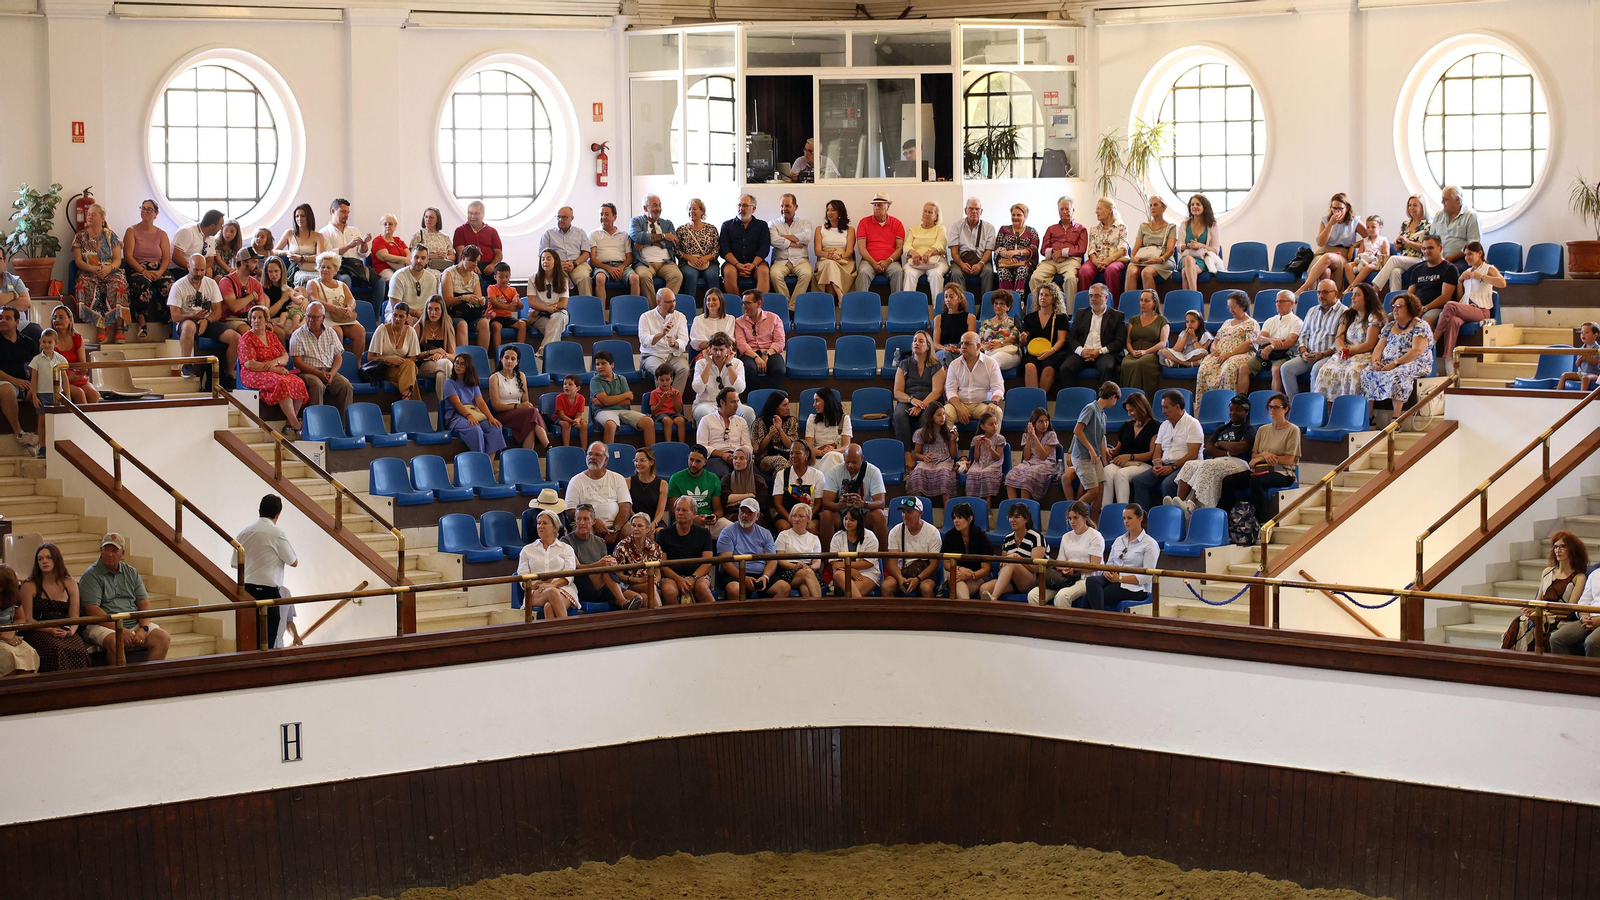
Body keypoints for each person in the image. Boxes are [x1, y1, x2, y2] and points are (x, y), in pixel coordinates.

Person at [80, 533, 170, 661]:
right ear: (101, 550)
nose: (110, 554)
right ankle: (120, 680)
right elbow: (92, 609)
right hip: (102, 625)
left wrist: (143, 628)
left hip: (132, 622)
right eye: (106, 550)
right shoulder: (91, 575)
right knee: (116, 641)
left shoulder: (131, 572)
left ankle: (147, 679)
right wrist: (119, 629)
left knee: (163, 638)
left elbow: (144, 602)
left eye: (114, 551)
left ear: (122, 553)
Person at [1217, 392, 1300, 523]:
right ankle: (1225, 519)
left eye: (1276, 407)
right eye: (1270, 407)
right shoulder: (1262, 429)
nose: (1272, 410)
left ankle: (1263, 523)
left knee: (1256, 482)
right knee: (1228, 481)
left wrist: (1268, 457)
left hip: (1282, 471)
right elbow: (1254, 454)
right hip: (1260, 469)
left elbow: (1289, 460)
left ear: (1286, 409)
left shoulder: (1293, 430)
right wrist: (1265, 455)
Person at [1167, 393, 1255, 514]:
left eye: (1238, 410)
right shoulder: (1222, 428)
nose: (1233, 413)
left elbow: (1242, 447)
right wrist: (1230, 450)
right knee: (1190, 465)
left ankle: (1191, 504)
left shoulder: (1249, 429)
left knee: (1207, 465)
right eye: (1231, 409)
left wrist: (1220, 443)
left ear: (1246, 412)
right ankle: (1179, 503)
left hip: (1240, 463)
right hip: (1221, 460)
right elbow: (1208, 448)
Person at [1505, 531, 1587, 652]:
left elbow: (1569, 608)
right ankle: (1511, 662)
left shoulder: (1579, 577)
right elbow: (1539, 599)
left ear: (1572, 550)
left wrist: (1542, 609)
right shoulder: (1547, 572)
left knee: (1530, 625)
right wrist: (1532, 608)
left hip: (1560, 618)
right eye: (1555, 546)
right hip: (1541, 614)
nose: (1558, 550)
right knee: (1520, 621)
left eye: (1563, 546)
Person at [1361, 291, 1435, 425]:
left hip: (1416, 362)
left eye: (1399, 307)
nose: (1395, 309)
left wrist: (1396, 363)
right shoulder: (1389, 326)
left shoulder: (1420, 326)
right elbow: (1378, 348)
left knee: (1397, 374)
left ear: (1410, 309)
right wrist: (1376, 362)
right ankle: (1369, 416)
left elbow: (1416, 351)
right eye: (1394, 306)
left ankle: (1396, 417)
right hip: (1389, 362)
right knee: (1367, 372)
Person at [168, 253, 243, 383]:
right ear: (188, 267)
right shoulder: (178, 286)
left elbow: (218, 311)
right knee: (189, 326)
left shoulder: (211, 283)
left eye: (202, 270)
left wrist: (206, 320)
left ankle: (229, 374)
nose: (199, 273)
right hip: (187, 320)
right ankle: (187, 364)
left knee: (236, 338)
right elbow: (175, 316)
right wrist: (192, 316)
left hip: (208, 321)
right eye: (196, 270)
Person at [238, 494, 299, 648]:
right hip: (269, 592)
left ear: (259, 510)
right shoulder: (277, 533)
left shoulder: (244, 533)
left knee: (249, 641)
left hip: (247, 591)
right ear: (278, 515)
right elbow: (294, 562)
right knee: (268, 644)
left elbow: (235, 564)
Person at [1436, 241, 1505, 374]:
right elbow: (1461, 296)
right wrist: (1460, 281)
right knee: (1453, 321)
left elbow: (1502, 283)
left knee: (1450, 305)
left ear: (1480, 253)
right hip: (1466, 309)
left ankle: (1434, 338)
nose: (1467, 257)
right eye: (1466, 255)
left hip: (1481, 311)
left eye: (1470, 254)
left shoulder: (1488, 268)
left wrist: (1482, 277)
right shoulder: (1467, 271)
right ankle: (1449, 360)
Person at [19, 543, 91, 670]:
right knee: (56, 648)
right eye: (40, 559)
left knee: (79, 649)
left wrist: (70, 632)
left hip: (64, 628)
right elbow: (28, 619)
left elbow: (75, 617)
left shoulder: (69, 583)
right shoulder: (30, 585)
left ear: (56, 559)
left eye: (48, 557)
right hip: (38, 629)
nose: (44, 562)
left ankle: (79, 687)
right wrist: (49, 630)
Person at [240, 305, 308, 437]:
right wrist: (273, 368)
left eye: (260, 317)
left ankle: (289, 423)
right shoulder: (246, 338)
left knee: (299, 382)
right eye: (253, 318)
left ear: (266, 321)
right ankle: (296, 425)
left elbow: (285, 356)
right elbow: (249, 364)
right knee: (281, 382)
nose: (256, 321)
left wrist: (275, 363)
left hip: (275, 369)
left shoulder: (271, 336)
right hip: (253, 373)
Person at [1130, 390, 1203, 509]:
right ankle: (1143, 518)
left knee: (1167, 484)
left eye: (1166, 407)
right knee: (1139, 481)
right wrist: (1157, 464)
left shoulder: (1193, 424)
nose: (1163, 411)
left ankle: (1169, 517)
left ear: (1177, 407)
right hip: (1165, 465)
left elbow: (1193, 454)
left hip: (1185, 466)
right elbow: (1157, 449)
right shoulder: (1164, 425)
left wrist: (1173, 467)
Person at [1080, 505, 1160, 612]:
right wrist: (1106, 572)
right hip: (1114, 580)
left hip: (1134, 587)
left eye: (1129, 518)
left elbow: (1146, 576)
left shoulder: (1150, 544)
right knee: (1091, 581)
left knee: (1091, 597)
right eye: (1124, 518)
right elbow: (1109, 563)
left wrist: (1120, 579)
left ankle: (1096, 623)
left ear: (1140, 519)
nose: (1126, 521)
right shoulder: (1119, 540)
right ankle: (1097, 622)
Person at [1277, 280, 1348, 399]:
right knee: (1286, 368)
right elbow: (1303, 335)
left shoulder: (1345, 312)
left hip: (1329, 356)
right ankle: (1293, 405)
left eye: (1325, 292)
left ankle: (1314, 408)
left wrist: (1322, 354)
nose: (1321, 296)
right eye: (1319, 292)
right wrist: (1304, 351)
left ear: (1335, 293)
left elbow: (1342, 340)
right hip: (1309, 355)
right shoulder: (1312, 311)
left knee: (1316, 370)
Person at [1029, 500, 1106, 607]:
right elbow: (1060, 562)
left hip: (1086, 578)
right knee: (1033, 595)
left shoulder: (1095, 536)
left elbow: (1094, 566)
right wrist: (1064, 569)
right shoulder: (1066, 537)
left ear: (1085, 517)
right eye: (1070, 518)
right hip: (1066, 577)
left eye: (1075, 518)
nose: (1072, 521)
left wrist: (1074, 569)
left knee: (1062, 596)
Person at [1313, 284, 1384, 398]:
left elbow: (1370, 344)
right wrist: (1341, 349)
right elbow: (1339, 337)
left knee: (1352, 372)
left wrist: (1349, 351)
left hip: (1364, 354)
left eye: (1357, 295)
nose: (1352, 298)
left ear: (1367, 298)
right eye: (1352, 294)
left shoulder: (1374, 316)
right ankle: (1328, 409)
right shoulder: (1347, 315)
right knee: (1326, 370)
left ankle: (1351, 407)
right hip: (1345, 352)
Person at [72, 203, 130, 342]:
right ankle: (100, 327)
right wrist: (92, 269)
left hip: (110, 270)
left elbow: (117, 259)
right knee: (86, 285)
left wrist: (108, 269)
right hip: (88, 271)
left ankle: (119, 327)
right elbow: (78, 261)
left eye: (94, 214)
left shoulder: (111, 236)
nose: (90, 217)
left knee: (117, 285)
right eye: (89, 214)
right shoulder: (80, 236)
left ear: (102, 218)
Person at [565, 505, 637, 608]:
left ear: (593, 521)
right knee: (605, 568)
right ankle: (622, 601)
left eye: (586, 519)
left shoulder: (600, 541)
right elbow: (576, 568)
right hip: (580, 583)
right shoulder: (567, 541)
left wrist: (612, 563)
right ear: (575, 521)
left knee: (638, 598)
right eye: (579, 519)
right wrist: (600, 565)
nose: (582, 523)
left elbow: (607, 565)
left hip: (603, 583)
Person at [818, 444, 888, 548]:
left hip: (863, 515)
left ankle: (883, 559)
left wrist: (863, 504)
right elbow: (826, 502)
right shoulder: (835, 471)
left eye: (854, 462)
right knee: (826, 515)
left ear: (862, 458)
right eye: (847, 462)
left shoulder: (873, 471)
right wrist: (839, 505)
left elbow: (881, 503)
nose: (850, 465)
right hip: (842, 515)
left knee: (879, 514)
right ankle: (828, 560)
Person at [289, 302, 354, 413]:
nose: (310, 320)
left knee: (346, 386)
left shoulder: (331, 332)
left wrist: (332, 374)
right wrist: (319, 374)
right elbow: (298, 362)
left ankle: (344, 426)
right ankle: (317, 424)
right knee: (317, 385)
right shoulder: (298, 334)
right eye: (308, 316)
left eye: (315, 317)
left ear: (323, 318)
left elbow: (338, 357)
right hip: (307, 372)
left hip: (329, 371)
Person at [1194, 290, 1259, 399]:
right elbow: (1216, 339)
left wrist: (1230, 353)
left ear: (1242, 306)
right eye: (1229, 307)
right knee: (1204, 367)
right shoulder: (1227, 322)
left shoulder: (1251, 323)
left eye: (1233, 307)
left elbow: (1249, 344)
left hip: (1240, 355)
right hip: (1221, 355)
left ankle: (1229, 403)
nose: (1231, 310)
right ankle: (1209, 404)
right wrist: (1214, 349)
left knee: (1228, 368)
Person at [1059, 282, 1127, 387]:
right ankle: (1075, 398)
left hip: (1104, 353)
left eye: (1097, 296)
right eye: (1091, 296)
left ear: (1106, 297)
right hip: (1083, 351)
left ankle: (1104, 400)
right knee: (1065, 368)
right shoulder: (1081, 313)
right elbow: (1072, 337)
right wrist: (1081, 351)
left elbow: (1120, 341)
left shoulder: (1117, 316)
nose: (1093, 299)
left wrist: (1099, 351)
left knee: (1107, 368)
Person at [122, 199, 172, 338]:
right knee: (144, 286)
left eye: (149, 209)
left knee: (169, 285)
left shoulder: (162, 234)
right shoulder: (131, 231)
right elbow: (128, 256)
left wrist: (160, 272)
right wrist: (144, 271)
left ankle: (168, 322)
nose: (145, 211)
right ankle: (142, 324)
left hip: (157, 268)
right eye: (143, 208)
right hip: (138, 268)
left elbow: (166, 258)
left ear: (155, 214)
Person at [1296, 193, 1365, 293]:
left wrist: (1354, 245)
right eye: (1334, 208)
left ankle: (1303, 289)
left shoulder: (1354, 221)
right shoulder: (1326, 220)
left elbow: (1371, 238)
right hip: (1324, 250)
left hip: (1342, 254)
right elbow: (1320, 243)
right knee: (1325, 271)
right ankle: (1323, 298)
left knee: (1328, 257)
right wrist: (1330, 225)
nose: (1337, 211)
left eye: (1340, 208)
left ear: (1347, 208)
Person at [518, 509, 580, 619]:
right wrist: (537, 584)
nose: (540, 526)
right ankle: (569, 632)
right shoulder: (527, 550)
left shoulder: (566, 549)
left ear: (555, 527)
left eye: (545, 523)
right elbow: (522, 577)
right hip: (536, 591)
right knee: (551, 592)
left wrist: (553, 584)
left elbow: (569, 575)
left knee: (548, 607)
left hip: (564, 589)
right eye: (539, 523)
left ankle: (552, 636)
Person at [566, 442, 635, 541]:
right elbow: (571, 512)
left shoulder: (617, 478)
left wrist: (615, 530)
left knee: (633, 529)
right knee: (585, 529)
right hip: (589, 525)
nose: (592, 457)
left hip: (616, 527)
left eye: (597, 455)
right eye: (590, 454)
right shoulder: (576, 481)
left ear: (606, 459)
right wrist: (593, 521)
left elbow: (625, 508)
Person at [441, 351, 506, 455]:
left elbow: (480, 402)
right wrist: (468, 416)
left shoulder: (472, 382)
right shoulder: (449, 382)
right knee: (475, 429)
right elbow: (457, 403)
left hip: (474, 413)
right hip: (456, 415)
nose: (458, 366)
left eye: (462, 364)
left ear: (468, 367)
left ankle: (488, 463)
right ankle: (480, 459)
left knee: (495, 427)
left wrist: (490, 417)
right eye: (456, 363)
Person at [1101, 389, 1158, 507]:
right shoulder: (1126, 426)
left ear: (1141, 408)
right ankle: (1105, 510)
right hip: (1125, 462)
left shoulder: (1155, 426)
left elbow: (1151, 454)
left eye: (1131, 411)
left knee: (1121, 474)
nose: (1129, 414)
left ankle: (1123, 511)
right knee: (1107, 471)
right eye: (1128, 411)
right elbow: (1118, 449)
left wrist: (1130, 457)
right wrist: (1109, 451)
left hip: (1143, 464)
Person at [981, 503, 1047, 602]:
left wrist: (1017, 558)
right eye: (1010, 517)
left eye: (1017, 516)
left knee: (1012, 563)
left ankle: (993, 598)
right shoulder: (1008, 539)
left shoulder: (1036, 536)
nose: (1013, 520)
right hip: (1011, 581)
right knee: (984, 588)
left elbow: (1036, 568)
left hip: (1032, 580)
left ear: (1026, 519)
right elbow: (1002, 565)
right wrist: (1008, 561)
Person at [718, 498, 782, 601]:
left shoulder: (765, 533)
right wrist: (743, 578)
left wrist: (765, 577)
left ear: (757, 516)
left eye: (749, 513)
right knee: (734, 589)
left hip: (760, 574)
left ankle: (764, 616)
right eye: (742, 512)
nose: (744, 515)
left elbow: (772, 560)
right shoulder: (727, 532)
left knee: (783, 588)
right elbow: (725, 561)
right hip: (735, 574)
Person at [487, 345, 549, 451]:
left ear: (517, 362)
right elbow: (496, 406)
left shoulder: (521, 376)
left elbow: (525, 400)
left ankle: (527, 456)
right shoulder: (494, 377)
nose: (509, 361)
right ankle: (548, 446)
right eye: (506, 358)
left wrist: (523, 406)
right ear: (501, 359)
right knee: (531, 413)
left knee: (530, 419)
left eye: (513, 359)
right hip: (502, 415)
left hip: (520, 414)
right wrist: (518, 406)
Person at [656, 496, 716, 604]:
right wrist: (679, 579)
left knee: (702, 588)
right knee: (669, 590)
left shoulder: (704, 533)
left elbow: (707, 562)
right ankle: (677, 621)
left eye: (684, 510)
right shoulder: (663, 534)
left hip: (698, 576)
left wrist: (693, 578)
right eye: (678, 509)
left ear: (694, 513)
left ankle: (715, 619)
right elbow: (663, 564)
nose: (680, 513)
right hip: (672, 577)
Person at [893, 331, 946, 453]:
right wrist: (912, 400)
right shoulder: (904, 364)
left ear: (928, 346)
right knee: (899, 415)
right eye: (915, 340)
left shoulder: (937, 365)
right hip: (909, 399)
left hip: (930, 401)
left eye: (921, 341)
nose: (916, 343)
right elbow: (897, 392)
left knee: (926, 417)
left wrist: (921, 406)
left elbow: (937, 391)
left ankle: (923, 453)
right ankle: (906, 453)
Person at [882, 497, 944, 598]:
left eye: (909, 512)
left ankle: (927, 614)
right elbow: (892, 562)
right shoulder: (895, 531)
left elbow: (934, 564)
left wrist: (918, 579)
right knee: (886, 586)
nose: (905, 516)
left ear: (920, 513)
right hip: (902, 571)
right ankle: (893, 614)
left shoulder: (932, 532)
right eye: (903, 512)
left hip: (924, 573)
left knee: (926, 588)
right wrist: (899, 577)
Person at [306, 250, 365, 357]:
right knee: (337, 332)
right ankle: (338, 365)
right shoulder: (313, 283)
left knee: (360, 331)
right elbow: (314, 300)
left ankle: (357, 364)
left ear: (335, 270)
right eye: (322, 267)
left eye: (329, 268)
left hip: (343, 316)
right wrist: (334, 308)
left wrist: (350, 309)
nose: (325, 270)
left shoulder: (342, 284)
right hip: (325, 317)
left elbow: (351, 300)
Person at [1550, 534, 1600, 657]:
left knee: (1591, 642)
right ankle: (1568, 675)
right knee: (1556, 638)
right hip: (1589, 618)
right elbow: (1583, 602)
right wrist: (1584, 617)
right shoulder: (1595, 574)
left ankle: (1591, 676)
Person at [590, 349, 653, 446]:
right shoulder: (595, 381)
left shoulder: (621, 379)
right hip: (602, 411)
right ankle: (607, 459)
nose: (600, 367)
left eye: (603, 363)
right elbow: (607, 401)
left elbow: (627, 402)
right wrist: (625, 395)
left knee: (648, 422)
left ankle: (650, 456)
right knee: (610, 425)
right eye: (597, 364)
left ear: (612, 365)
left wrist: (604, 401)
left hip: (622, 410)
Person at [637, 286, 690, 398]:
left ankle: (674, 401)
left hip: (673, 354)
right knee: (660, 371)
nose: (673, 305)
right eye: (669, 302)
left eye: (674, 301)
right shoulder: (646, 317)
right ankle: (662, 405)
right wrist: (662, 334)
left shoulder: (680, 316)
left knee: (684, 369)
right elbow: (644, 341)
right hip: (653, 354)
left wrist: (675, 343)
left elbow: (684, 339)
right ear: (658, 302)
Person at [1030, 196, 1087, 299]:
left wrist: (1062, 253)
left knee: (1070, 279)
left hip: (1070, 260)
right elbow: (1043, 249)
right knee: (1035, 277)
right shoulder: (1051, 229)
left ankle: (1070, 314)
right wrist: (1054, 254)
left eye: (1067, 209)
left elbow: (1081, 249)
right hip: (1051, 260)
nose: (1064, 211)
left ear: (1073, 210)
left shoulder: (1081, 228)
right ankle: (1038, 310)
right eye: (1062, 209)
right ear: (1058, 211)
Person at [944, 332, 1005, 427]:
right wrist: (959, 408)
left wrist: (993, 403)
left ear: (978, 346)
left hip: (982, 405)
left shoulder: (991, 363)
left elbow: (998, 388)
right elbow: (950, 390)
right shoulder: (954, 364)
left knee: (996, 412)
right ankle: (950, 441)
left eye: (968, 343)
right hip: (960, 404)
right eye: (962, 343)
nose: (963, 346)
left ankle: (991, 442)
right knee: (944, 413)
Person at [668, 444, 730, 537]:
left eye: (698, 461)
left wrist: (715, 517)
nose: (693, 464)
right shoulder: (676, 478)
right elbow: (674, 512)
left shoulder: (713, 478)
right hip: (685, 520)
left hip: (708, 522)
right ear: (688, 458)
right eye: (691, 460)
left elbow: (718, 510)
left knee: (730, 528)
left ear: (705, 462)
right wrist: (692, 519)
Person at [1374, 195, 1433, 293]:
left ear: (1423, 207)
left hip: (1419, 259)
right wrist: (1398, 245)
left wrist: (1408, 242)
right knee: (1395, 271)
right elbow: (1398, 249)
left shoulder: (1429, 225)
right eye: (1410, 205)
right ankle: (1395, 301)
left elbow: (1427, 248)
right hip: (1403, 258)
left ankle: (1375, 289)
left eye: (1415, 205)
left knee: (1393, 259)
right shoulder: (1405, 224)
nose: (1411, 208)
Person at [690, 333, 752, 425]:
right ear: (709, 349)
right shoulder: (701, 363)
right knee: (703, 413)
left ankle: (747, 439)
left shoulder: (737, 363)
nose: (718, 353)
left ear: (728, 349)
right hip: (707, 403)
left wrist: (728, 365)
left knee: (748, 412)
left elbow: (740, 389)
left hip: (731, 405)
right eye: (715, 349)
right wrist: (709, 364)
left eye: (721, 350)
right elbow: (698, 389)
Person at [630, 193, 684, 295]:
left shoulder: (667, 223)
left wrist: (647, 244)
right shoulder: (636, 221)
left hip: (666, 262)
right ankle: (654, 309)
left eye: (660, 205)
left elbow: (673, 242)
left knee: (677, 276)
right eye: (655, 205)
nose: (658, 208)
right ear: (645, 208)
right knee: (643, 276)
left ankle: (664, 305)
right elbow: (638, 237)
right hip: (644, 263)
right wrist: (664, 236)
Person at [1117, 289, 1169, 396]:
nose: (1143, 303)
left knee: (1140, 363)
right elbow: (1128, 341)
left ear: (1154, 303)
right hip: (1134, 352)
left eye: (1146, 301)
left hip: (1151, 353)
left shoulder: (1162, 320)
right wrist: (1132, 351)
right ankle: (1127, 397)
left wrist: (1146, 351)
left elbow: (1163, 343)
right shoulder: (1134, 319)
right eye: (1141, 300)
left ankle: (1139, 398)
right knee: (1125, 363)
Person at [668, 198, 722, 301]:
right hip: (688, 263)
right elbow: (677, 250)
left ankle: (716, 307)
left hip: (708, 262)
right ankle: (689, 306)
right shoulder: (681, 230)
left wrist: (706, 258)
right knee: (690, 275)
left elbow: (717, 248)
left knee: (712, 276)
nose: (691, 211)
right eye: (689, 209)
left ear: (702, 211)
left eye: (694, 209)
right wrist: (689, 258)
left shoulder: (711, 229)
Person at [905, 405, 959, 507]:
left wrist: (953, 440)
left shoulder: (949, 431)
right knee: (918, 473)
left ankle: (947, 510)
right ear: (931, 417)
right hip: (927, 462)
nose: (942, 417)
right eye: (938, 415)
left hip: (944, 461)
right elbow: (915, 454)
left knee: (944, 474)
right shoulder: (921, 432)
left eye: (943, 414)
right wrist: (923, 457)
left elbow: (953, 455)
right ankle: (917, 508)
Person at [368, 301, 422, 402]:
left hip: (403, 368)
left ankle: (406, 401)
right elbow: (370, 357)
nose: (397, 319)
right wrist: (389, 359)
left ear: (407, 318)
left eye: (401, 316)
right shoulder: (381, 330)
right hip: (384, 368)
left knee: (410, 365)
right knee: (411, 374)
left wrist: (400, 363)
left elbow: (412, 358)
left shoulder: (411, 331)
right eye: (395, 315)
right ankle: (411, 403)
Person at [0, 308, 38, 449]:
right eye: (1, 318)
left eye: (7, 318)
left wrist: (33, 386)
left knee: (48, 391)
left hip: (26, 383)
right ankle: (19, 433)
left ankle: (43, 439)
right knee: (7, 391)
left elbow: (37, 367)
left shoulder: (29, 342)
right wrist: (14, 380)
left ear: (17, 322)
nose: (2, 320)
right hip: (5, 381)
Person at [735, 288, 787, 391]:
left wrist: (766, 354)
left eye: (747, 303)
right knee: (749, 369)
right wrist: (756, 357)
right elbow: (741, 343)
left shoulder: (774, 318)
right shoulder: (739, 322)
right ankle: (756, 396)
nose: (744, 307)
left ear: (759, 304)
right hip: (749, 353)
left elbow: (780, 342)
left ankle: (772, 398)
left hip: (770, 352)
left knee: (779, 370)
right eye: (743, 303)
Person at [1123, 196, 1177, 294]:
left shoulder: (1171, 227)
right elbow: (1137, 246)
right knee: (1131, 271)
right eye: (1151, 205)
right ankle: (1130, 306)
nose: (1152, 207)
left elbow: (1170, 250)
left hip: (1163, 259)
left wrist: (1160, 259)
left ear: (1163, 208)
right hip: (1144, 258)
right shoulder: (1143, 226)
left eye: (1156, 205)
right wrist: (1132, 257)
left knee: (1146, 272)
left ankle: (1151, 306)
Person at [852, 192, 905, 292]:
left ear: (888, 207)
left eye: (879, 205)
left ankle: (896, 305)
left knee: (898, 272)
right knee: (863, 273)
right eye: (875, 205)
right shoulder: (864, 222)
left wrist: (887, 261)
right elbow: (861, 248)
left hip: (890, 261)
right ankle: (862, 305)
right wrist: (873, 263)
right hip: (869, 261)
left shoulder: (897, 223)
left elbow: (900, 248)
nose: (876, 207)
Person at [1005, 406, 1060, 502]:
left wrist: (1034, 437)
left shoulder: (1051, 435)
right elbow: (1026, 457)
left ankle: (1023, 507)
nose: (1045, 424)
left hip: (1046, 464)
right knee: (1010, 475)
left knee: (1027, 477)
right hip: (1029, 463)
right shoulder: (1026, 435)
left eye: (1046, 421)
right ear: (1033, 423)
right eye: (1040, 421)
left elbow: (1043, 456)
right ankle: (1014, 507)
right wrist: (1030, 438)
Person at [1079, 197, 1129, 302]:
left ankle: (1113, 305)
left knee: (1111, 271)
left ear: (1110, 210)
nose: (1096, 211)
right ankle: (1085, 306)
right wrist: (1096, 262)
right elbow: (1091, 249)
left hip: (1115, 259)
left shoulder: (1121, 227)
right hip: (1097, 260)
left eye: (1099, 209)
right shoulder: (1094, 229)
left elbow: (1123, 248)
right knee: (1084, 271)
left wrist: (1109, 260)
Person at [587, 201, 638, 303]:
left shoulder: (623, 234)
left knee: (635, 278)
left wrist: (621, 268)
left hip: (621, 266)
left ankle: (634, 312)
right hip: (602, 266)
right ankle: (601, 314)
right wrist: (609, 269)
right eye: (601, 214)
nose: (603, 217)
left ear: (614, 217)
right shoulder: (594, 234)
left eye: (606, 214)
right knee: (600, 278)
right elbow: (592, 259)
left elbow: (629, 257)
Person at [941, 502, 993, 600]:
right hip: (958, 574)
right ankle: (967, 609)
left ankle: (964, 610)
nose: (956, 521)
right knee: (954, 577)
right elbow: (947, 564)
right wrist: (961, 569)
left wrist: (969, 575)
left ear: (970, 519)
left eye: (960, 517)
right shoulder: (950, 536)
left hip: (979, 575)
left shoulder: (981, 537)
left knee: (960, 591)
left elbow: (986, 569)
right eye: (954, 518)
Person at [720, 194, 771, 294]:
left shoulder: (762, 225)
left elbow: (764, 248)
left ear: (754, 208)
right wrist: (737, 264)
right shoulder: (727, 225)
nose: (741, 208)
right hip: (733, 263)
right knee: (729, 272)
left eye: (745, 205)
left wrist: (753, 265)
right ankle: (736, 307)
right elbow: (724, 249)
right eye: (739, 205)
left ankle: (758, 306)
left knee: (764, 272)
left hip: (756, 263)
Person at [1251, 290, 1303, 389]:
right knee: (1243, 368)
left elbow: (1291, 341)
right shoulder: (1270, 321)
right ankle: (1241, 399)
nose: (1278, 304)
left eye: (1282, 301)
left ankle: (1275, 400)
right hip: (1266, 354)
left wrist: (1272, 346)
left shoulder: (1296, 321)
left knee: (1276, 370)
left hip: (1285, 355)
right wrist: (1271, 340)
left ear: (1291, 303)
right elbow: (1259, 339)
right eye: (1277, 301)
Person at [697, 387, 752, 479]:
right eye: (733, 402)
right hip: (716, 458)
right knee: (723, 476)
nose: (737, 405)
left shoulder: (741, 421)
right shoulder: (706, 420)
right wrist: (721, 454)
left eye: (737, 401)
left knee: (756, 477)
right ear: (722, 403)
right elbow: (701, 447)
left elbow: (748, 446)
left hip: (739, 456)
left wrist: (738, 456)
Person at [768, 193, 813, 303]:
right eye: (782, 206)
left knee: (807, 274)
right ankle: (786, 304)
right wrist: (795, 243)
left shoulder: (805, 223)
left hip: (800, 260)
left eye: (787, 206)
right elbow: (773, 240)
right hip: (780, 260)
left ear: (795, 207)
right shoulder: (773, 223)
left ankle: (792, 307)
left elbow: (806, 237)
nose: (784, 209)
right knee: (774, 275)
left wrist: (783, 237)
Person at [827, 505, 880, 598]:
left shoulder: (870, 536)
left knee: (851, 592)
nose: (847, 522)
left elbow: (869, 563)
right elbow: (834, 562)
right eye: (845, 519)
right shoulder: (837, 536)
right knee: (838, 574)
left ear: (859, 521)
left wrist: (845, 565)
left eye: (852, 520)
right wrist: (849, 570)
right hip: (843, 573)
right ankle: (861, 610)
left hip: (867, 573)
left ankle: (857, 610)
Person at [613, 513, 665, 608]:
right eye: (633, 526)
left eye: (640, 526)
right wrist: (637, 580)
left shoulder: (654, 547)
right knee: (649, 586)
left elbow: (658, 575)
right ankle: (661, 617)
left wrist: (653, 580)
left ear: (648, 529)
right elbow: (618, 575)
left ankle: (651, 621)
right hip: (628, 584)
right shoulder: (622, 546)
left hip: (648, 584)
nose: (636, 529)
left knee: (645, 598)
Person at [1408, 234, 1459, 331]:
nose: (1426, 251)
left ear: (1440, 248)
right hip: (1418, 308)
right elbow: (1410, 294)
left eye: (1430, 248)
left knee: (1425, 322)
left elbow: (1445, 297)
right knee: (1384, 319)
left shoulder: (1449, 269)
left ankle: (1426, 346)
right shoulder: (1417, 270)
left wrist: (1424, 309)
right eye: (1424, 248)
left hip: (1437, 309)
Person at [442, 245, 488, 349]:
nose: (475, 265)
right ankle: (463, 361)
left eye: (477, 262)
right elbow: (447, 301)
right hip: (453, 314)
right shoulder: (449, 273)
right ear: (463, 257)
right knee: (462, 324)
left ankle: (482, 358)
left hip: (471, 313)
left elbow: (478, 299)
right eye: (472, 261)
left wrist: (481, 301)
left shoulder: (475, 276)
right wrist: (463, 298)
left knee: (484, 323)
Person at [771, 442, 826, 532]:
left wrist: (806, 519)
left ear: (806, 454)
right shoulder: (781, 474)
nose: (793, 456)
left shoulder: (817, 475)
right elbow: (778, 504)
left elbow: (818, 504)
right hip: (787, 514)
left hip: (810, 515)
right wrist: (791, 519)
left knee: (812, 527)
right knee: (784, 527)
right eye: (791, 453)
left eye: (798, 453)